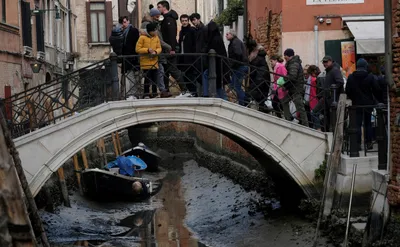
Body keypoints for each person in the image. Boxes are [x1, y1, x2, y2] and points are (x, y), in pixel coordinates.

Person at [345, 58, 383, 150]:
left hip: (356, 104)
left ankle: (357, 144)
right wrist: (377, 100)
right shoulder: (370, 76)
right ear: (365, 66)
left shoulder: (351, 77)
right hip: (368, 104)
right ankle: (368, 142)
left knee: (357, 124)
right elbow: (376, 89)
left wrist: (353, 97)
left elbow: (347, 91)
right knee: (368, 124)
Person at [140, 5, 172, 98]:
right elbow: (139, 47)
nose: (158, 18)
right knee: (150, 75)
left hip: (156, 54)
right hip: (149, 56)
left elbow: (158, 42)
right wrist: (167, 47)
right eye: (157, 16)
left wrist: (158, 50)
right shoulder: (147, 26)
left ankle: (158, 91)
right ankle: (150, 92)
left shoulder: (154, 24)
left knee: (157, 72)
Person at [157, 1, 185, 93]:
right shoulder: (164, 19)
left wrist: (172, 49)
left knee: (173, 70)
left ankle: (185, 90)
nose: (158, 9)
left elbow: (172, 35)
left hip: (169, 49)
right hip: (166, 48)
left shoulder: (169, 19)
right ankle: (166, 91)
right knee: (165, 70)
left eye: (159, 7)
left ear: (164, 7)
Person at [281, 48, 308, 126]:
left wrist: (284, 82)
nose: (284, 57)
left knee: (299, 106)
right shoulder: (293, 63)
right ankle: (289, 119)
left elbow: (292, 77)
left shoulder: (293, 63)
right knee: (285, 101)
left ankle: (305, 125)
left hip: (296, 88)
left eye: (285, 56)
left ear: (288, 56)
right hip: (293, 87)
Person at [136, 23, 162, 98]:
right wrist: (147, 50)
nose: (156, 31)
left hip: (154, 61)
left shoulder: (156, 37)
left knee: (155, 79)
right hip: (145, 62)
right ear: (150, 31)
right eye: (155, 30)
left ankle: (155, 93)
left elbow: (159, 47)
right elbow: (137, 49)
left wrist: (156, 52)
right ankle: (146, 94)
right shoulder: (142, 38)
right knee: (147, 79)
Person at [118, 16, 140, 99]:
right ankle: (130, 94)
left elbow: (136, 43)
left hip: (133, 57)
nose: (123, 24)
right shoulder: (121, 33)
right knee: (129, 77)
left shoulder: (133, 30)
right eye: (122, 23)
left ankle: (134, 94)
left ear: (128, 21)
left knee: (134, 77)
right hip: (126, 58)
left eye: (124, 22)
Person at [226, 29, 248, 106]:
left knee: (236, 86)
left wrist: (232, 64)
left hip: (239, 66)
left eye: (227, 34)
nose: (226, 35)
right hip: (239, 66)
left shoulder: (235, 42)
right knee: (235, 86)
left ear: (232, 35)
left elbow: (238, 54)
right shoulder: (235, 42)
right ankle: (243, 101)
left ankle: (243, 103)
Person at [178, 14, 198, 96]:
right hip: (182, 57)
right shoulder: (181, 32)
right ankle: (189, 91)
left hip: (190, 57)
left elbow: (195, 44)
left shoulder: (192, 30)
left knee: (190, 75)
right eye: (183, 21)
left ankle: (194, 92)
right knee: (184, 75)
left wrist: (193, 55)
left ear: (188, 21)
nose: (184, 22)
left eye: (186, 20)